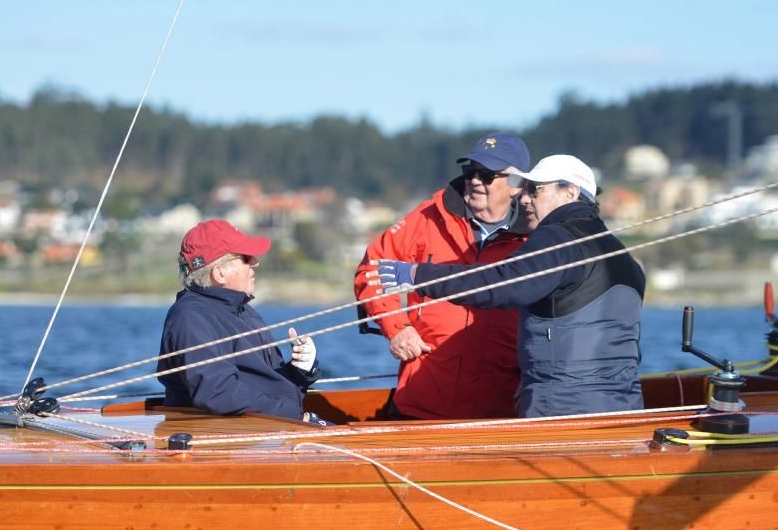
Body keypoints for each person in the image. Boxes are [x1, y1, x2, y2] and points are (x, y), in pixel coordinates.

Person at [371, 155, 646, 418]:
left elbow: (501, 284)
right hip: (624, 410)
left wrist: (417, 274)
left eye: (535, 190)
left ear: (570, 193)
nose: (524, 198)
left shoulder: (555, 237)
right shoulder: (625, 258)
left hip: (560, 414)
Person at [353, 132, 533, 419]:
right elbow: (372, 269)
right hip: (421, 397)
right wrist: (397, 328)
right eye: (470, 171)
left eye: (486, 175)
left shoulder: (536, 237)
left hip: (500, 408)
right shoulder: (429, 217)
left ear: (516, 185)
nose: (474, 181)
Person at [157, 219, 321, 421]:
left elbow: (265, 384)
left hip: (267, 433)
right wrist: (295, 417)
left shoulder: (244, 311)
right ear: (220, 273)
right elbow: (218, 393)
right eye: (245, 258)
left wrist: (301, 371)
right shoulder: (191, 317)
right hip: (228, 442)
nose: (255, 262)